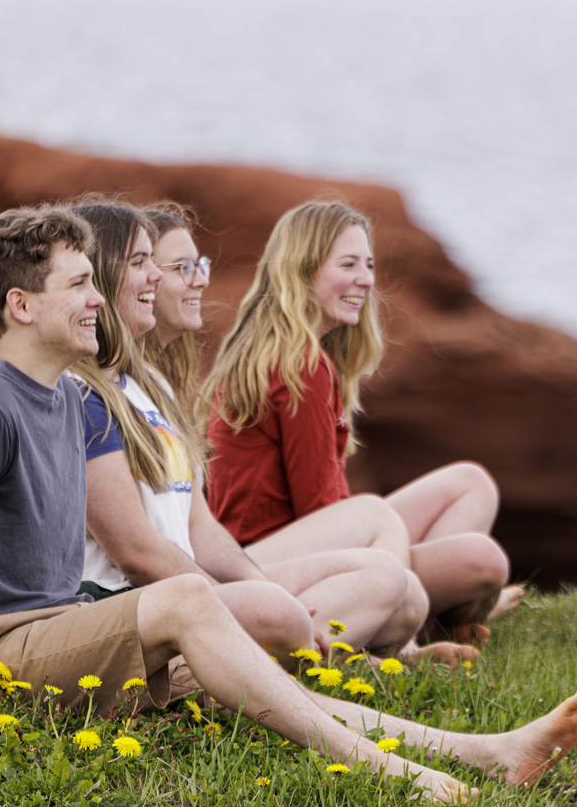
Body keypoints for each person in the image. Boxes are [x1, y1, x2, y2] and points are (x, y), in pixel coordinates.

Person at [0, 204, 577, 802]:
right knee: (188, 600)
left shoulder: (68, 398)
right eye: (81, 284)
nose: (99, 299)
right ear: (21, 305)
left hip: (57, 635)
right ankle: (406, 781)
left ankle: (480, 752)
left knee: (229, 670)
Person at [69, 200, 422, 654]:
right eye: (144, 263)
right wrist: (236, 601)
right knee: (375, 542)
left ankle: (294, 654)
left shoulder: (150, 385)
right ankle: (298, 661)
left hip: (200, 577)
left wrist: (260, 586)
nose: (162, 277)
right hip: (142, 604)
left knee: (391, 579)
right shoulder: (81, 394)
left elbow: (200, 524)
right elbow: (136, 554)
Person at [202, 200, 523, 640]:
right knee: (479, 561)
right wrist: (386, 549)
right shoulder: (301, 365)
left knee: (470, 483)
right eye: (348, 264)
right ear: (303, 269)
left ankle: (429, 608)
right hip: (264, 562)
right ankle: (408, 627)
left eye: (368, 265)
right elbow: (320, 509)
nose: (366, 280)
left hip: (294, 546)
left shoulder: (287, 353)